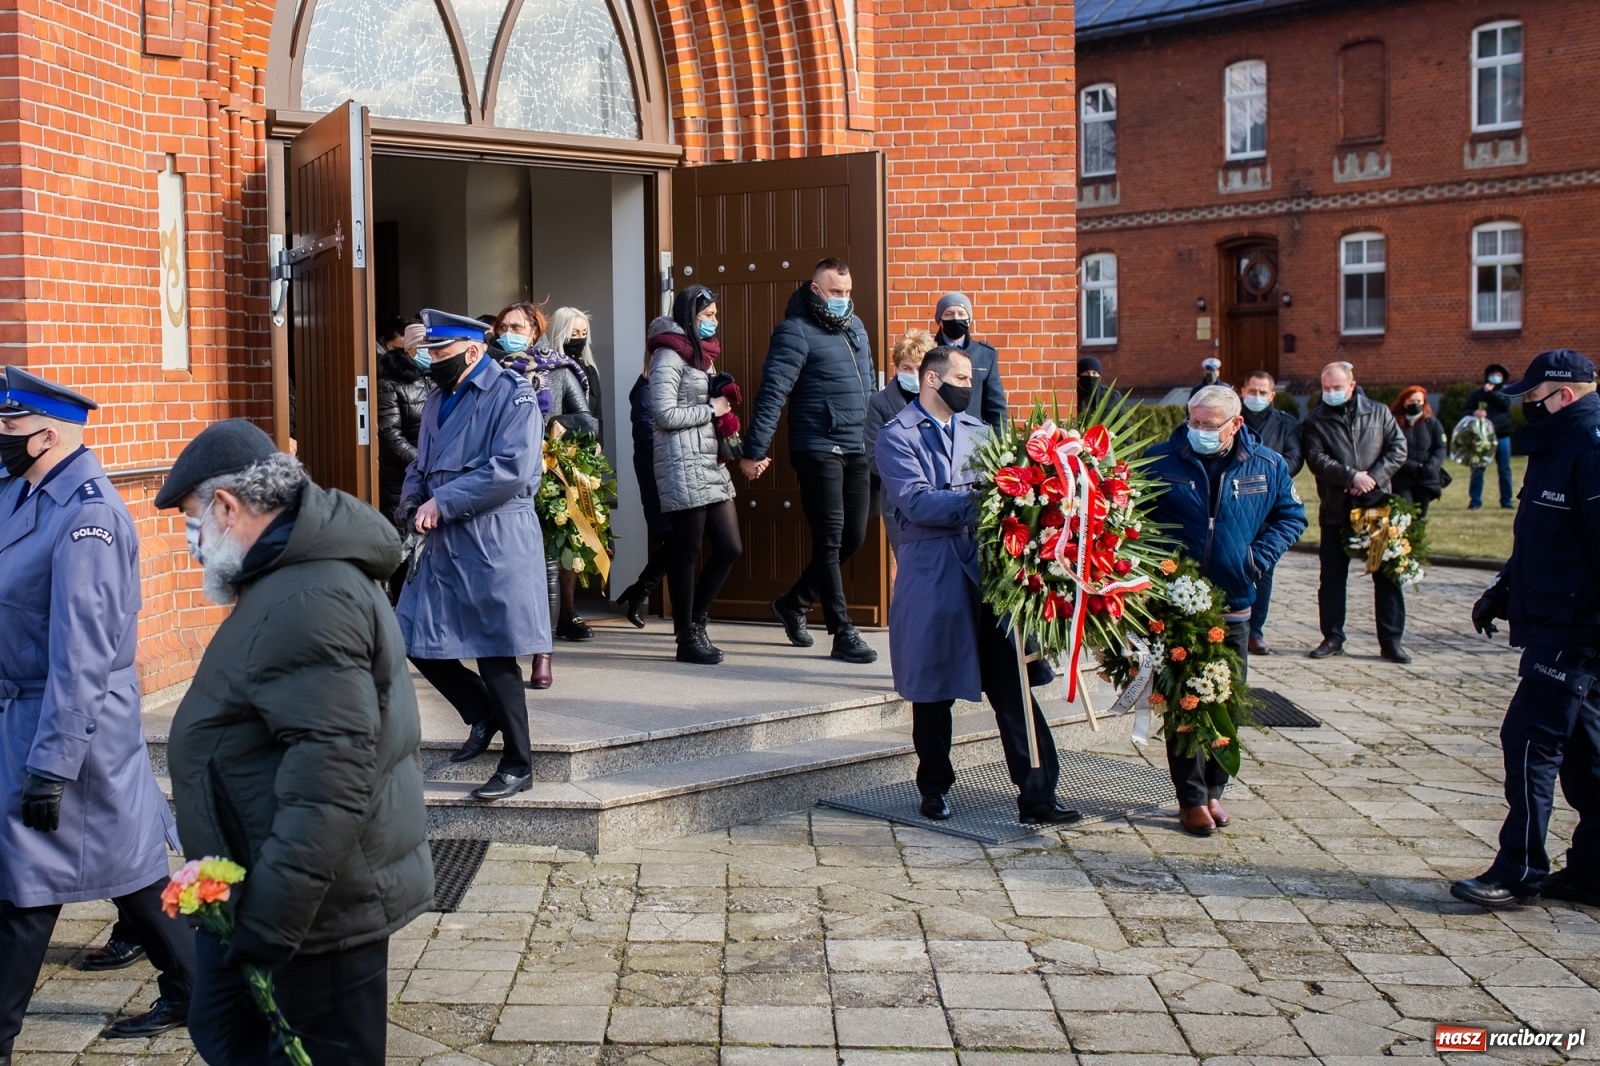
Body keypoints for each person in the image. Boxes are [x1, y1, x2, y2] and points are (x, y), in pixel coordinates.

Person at [155, 418, 431, 1065]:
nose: (192, 539)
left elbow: (331, 779)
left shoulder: (308, 594)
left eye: (192, 518)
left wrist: (270, 925)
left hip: (313, 918)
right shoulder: (286, 579)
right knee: (228, 1035)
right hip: (278, 900)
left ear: (226, 506)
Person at [0, 368, 197, 1061]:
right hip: (25, 712)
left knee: (28, 887)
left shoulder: (88, 516)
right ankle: (194, 986)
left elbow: (81, 652)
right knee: (129, 869)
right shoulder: (18, 492)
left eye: (8, 426)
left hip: (72, 719)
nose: (0, 437)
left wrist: (52, 762)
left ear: (46, 435)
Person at [877, 346, 1081, 826]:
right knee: (933, 690)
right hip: (933, 575)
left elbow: (1008, 491)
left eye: (971, 378)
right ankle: (934, 788)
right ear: (931, 379)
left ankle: (1038, 796)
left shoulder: (982, 432)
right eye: (961, 377)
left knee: (1013, 688)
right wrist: (990, 497)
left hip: (988, 577)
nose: (969, 386)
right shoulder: (897, 436)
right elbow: (917, 502)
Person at [1454, 349, 1600, 910]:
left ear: (1562, 395)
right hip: (1556, 623)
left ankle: (1520, 868)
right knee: (1590, 757)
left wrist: (1585, 633)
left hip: (1575, 632)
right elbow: (1544, 538)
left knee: (1530, 742)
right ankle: (1592, 872)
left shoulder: (1589, 450)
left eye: (1531, 398)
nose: (1524, 407)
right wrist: (1504, 590)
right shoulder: (1557, 447)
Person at [397, 308, 550, 799]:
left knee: (495, 651)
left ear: (471, 350)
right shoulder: (440, 397)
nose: (431, 360)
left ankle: (518, 762)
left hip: (491, 538)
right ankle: (483, 715)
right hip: (443, 541)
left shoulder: (513, 395)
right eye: (429, 351)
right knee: (416, 638)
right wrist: (410, 499)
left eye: (439, 352)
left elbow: (511, 469)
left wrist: (443, 501)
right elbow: (422, 463)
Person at [1147, 385, 1307, 835]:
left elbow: (1291, 516)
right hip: (1179, 605)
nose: (1197, 431)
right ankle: (1191, 798)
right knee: (1185, 701)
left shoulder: (1267, 465)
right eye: (1192, 421)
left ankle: (1216, 788)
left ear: (1236, 425)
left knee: (1227, 698)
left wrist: (1256, 559)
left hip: (1235, 602)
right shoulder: (1162, 461)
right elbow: (1135, 517)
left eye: (1208, 425)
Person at [740, 257, 878, 664]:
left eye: (848, 292)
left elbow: (870, 387)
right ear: (815, 290)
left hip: (857, 447)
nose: (844, 300)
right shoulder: (794, 332)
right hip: (817, 447)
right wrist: (754, 450)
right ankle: (842, 630)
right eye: (836, 293)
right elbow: (772, 393)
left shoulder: (856, 328)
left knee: (853, 536)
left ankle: (793, 602)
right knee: (830, 537)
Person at [650, 287, 760, 664]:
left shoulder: (702, 354)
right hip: (682, 463)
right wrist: (710, 410)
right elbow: (663, 415)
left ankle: (697, 621)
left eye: (714, 314)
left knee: (730, 547)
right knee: (687, 551)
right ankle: (687, 635)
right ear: (688, 316)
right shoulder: (668, 353)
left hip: (710, 461)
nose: (712, 321)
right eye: (706, 315)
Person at [493, 302, 598, 652]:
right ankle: (506, 635)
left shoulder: (560, 371)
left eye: (517, 328)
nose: (508, 334)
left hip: (547, 472)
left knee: (549, 560)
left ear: (535, 332)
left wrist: (554, 426)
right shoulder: (489, 369)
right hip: (501, 474)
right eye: (503, 327)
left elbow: (587, 421)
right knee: (506, 560)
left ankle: (544, 648)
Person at [1301, 361, 1410, 662]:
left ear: (1351, 385)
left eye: (1337, 387)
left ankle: (1391, 641)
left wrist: (1371, 477)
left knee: (1386, 575)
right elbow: (1316, 458)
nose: (1332, 393)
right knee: (1333, 577)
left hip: (1375, 507)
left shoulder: (1379, 412)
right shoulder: (1314, 420)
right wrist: (1350, 477)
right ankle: (1332, 637)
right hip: (1336, 509)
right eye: (1326, 388)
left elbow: (1398, 449)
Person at [613, 316, 678, 628]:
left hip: (673, 473)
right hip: (658, 476)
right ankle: (643, 592)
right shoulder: (646, 390)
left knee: (681, 540)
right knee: (677, 539)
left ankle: (640, 590)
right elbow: (649, 436)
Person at [1240, 370, 1304, 655]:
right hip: (1236, 504)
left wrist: (1266, 476)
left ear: (1272, 395)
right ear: (1242, 391)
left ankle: (1255, 631)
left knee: (1263, 570)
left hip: (1269, 506)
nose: (1256, 397)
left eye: (1262, 392)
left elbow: (1294, 457)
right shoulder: (1232, 419)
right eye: (1252, 391)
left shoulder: (1286, 424)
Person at [866, 329, 937, 575]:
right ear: (897, 367)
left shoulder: (943, 399)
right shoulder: (880, 402)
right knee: (911, 570)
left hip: (941, 496)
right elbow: (874, 457)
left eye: (919, 367)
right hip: (900, 500)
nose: (913, 374)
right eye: (907, 367)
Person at [377, 317, 430, 521]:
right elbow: (390, 434)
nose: (430, 351)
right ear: (410, 347)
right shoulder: (390, 384)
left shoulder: (437, 380)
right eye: (424, 345)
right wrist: (423, 462)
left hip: (433, 475)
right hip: (401, 477)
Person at [932, 292, 1008, 430]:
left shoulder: (985, 355)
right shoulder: (928, 352)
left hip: (973, 438)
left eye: (961, 314)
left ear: (969, 319)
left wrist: (999, 446)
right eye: (949, 314)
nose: (955, 318)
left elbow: (995, 408)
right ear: (940, 320)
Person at [1389, 386, 1448, 517]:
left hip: (1426, 479)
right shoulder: (1394, 423)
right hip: (1401, 477)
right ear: (1404, 402)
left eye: (1418, 401)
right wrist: (1414, 466)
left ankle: (1417, 537)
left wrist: (1431, 467)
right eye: (1411, 401)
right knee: (1404, 513)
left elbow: (1440, 447)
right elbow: (1391, 449)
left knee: (1420, 516)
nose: (1415, 404)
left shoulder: (1432, 423)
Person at [1465, 362, 1515, 510]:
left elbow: (1505, 405)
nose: (1494, 377)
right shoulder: (1478, 394)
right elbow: (1466, 410)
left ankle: (1506, 501)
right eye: (1492, 374)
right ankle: (1475, 501)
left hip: (1502, 436)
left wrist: (1490, 393)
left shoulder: (1506, 393)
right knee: (1478, 469)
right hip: (1482, 438)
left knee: (1504, 470)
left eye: (1498, 375)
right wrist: (1474, 413)